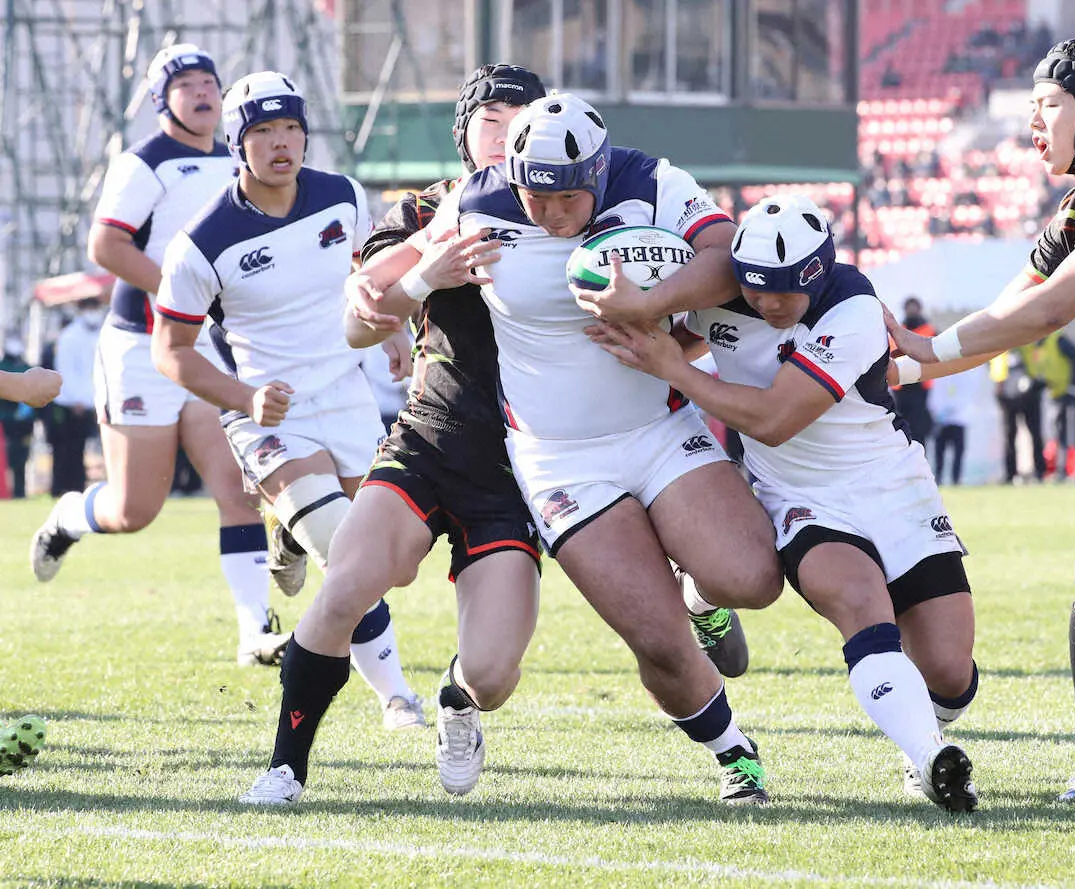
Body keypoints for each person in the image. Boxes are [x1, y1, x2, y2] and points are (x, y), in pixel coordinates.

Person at [385, 92, 784, 805]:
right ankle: (733, 752)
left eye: (569, 196)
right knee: (658, 643)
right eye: (536, 197)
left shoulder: (652, 181)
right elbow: (385, 284)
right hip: (559, 457)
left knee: (752, 576)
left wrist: (649, 306)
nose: (553, 214)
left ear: (599, 171)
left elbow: (727, 261)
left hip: (660, 430)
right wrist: (403, 285)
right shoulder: (476, 203)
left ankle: (703, 593)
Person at [590, 194, 980, 813]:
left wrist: (677, 370)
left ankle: (928, 729)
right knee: (860, 605)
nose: (767, 303)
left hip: (891, 485)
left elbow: (775, 420)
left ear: (817, 274)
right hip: (799, 498)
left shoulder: (852, 308)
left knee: (950, 670)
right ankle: (930, 759)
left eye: (783, 293)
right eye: (756, 288)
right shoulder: (723, 295)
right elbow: (681, 340)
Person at [887, 37, 1075, 801]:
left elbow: (1051, 311)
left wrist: (925, 347)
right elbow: (1006, 310)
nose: (1031, 123)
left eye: (1046, 106)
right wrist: (893, 369)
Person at [236, 64, 549, 806]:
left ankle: (455, 701)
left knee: (494, 674)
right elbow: (359, 317)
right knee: (345, 586)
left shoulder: (571, 208)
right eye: (491, 118)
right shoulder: (423, 209)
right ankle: (285, 766)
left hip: (516, 466)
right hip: (428, 440)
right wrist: (425, 276)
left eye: (521, 117)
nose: (505, 133)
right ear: (464, 132)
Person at [150, 70, 424, 731]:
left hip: (349, 395)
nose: (281, 144)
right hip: (266, 415)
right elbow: (171, 352)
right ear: (238, 144)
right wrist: (245, 396)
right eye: (264, 131)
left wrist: (392, 330)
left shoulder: (342, 196)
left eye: (292, 128)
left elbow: (366, 276)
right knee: (349, 553)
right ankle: (397, 696)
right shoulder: (203, 240)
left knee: (399, 562)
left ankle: (287, 535)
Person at [28, 45, 287, 670]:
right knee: (134, 510)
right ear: (160, 100)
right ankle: (69, 516)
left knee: (234, 489)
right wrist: (183, 297)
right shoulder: (146, 162)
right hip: (140, 348)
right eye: (186, 84)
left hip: (202, 350)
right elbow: (106, 247)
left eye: (210, 82)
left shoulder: (237, 158)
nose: (202, 93)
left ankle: (255, 632)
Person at [46, 299, 102, 496]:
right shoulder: (70, 336)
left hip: (90, 402)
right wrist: (76, 399)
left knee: (80, 450)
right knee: (66, 449)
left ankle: (77, 487)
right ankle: (61, 488)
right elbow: (66, 372)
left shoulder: (99, 334)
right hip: (69, 404)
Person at [1024, 331, 1075, 480]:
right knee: (1059, 433)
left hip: (1073, 392)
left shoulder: (1058, 340)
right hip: (1056, 394)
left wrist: (1073, 383)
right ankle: (1061, 470)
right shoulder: (1036, 348)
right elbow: (1045, 373)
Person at [990, 349, 1046, 484]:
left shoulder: (1028, 340)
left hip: (1030, 392)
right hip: (1007, 394)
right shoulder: (999, 344)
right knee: (1009, 436)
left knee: (1035, 433)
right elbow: (997, 369)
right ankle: (1010, 474)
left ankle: (1039, 472)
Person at [891, 297, 935, 447]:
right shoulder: (897, 330)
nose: (911, 311)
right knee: (900, 429)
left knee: (918, 430)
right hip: (900, 386)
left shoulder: (929, 331)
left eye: (913, 307)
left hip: (920, 386)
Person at [0, 335, 37, 498]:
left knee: (21, 458)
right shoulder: (3, 367)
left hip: (24, 423)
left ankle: (20, 492)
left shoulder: (28, 368)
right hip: (5, 421)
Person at [927, 367, 969, 485]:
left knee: (958, 452)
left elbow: (966, 394)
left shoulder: (963, 374)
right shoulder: (939, 375)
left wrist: (954, 409)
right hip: (941, 421)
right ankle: (938, 478)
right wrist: (938, 413)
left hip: (958, 419)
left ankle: (956, 479)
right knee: (939, 451)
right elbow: (934, 396)